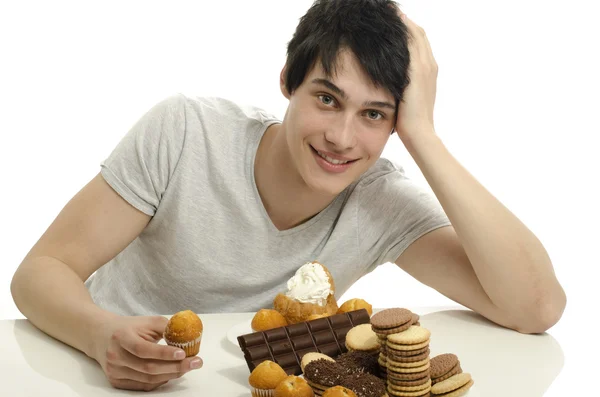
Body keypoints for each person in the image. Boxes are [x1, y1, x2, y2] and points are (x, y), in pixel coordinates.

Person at [10, 0, 566, 392]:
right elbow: (40, 271)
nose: (342, 139)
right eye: (327, 99)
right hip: (95, 377)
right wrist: (97, 334)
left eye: (375, 114)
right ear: (287, 82)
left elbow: (535, 308)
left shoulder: (380, 199)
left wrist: (423, 134)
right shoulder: (184, 131)